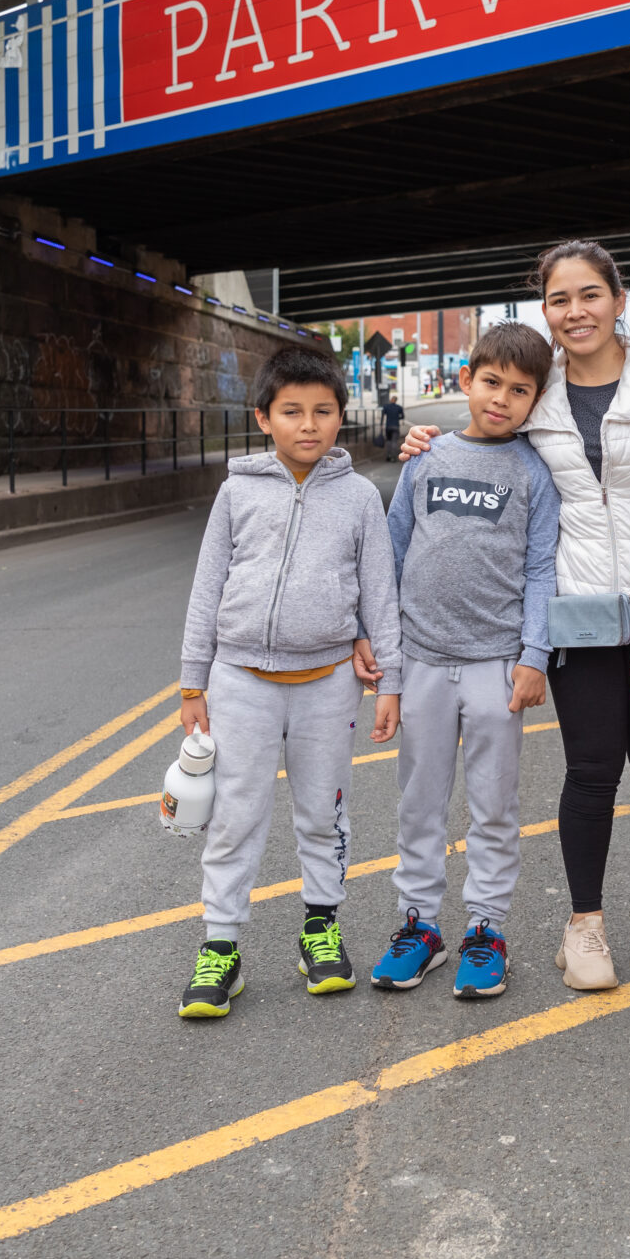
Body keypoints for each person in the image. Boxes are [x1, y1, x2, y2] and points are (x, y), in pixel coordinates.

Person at [402, 241, 630, 990]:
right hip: (576, 614)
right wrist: (424, 441)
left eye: (589, 295)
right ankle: (584, 924)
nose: (575, 311)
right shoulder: (538, 392)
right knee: (591, 769)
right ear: (544, 308)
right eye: (559, 299)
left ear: (619, 298)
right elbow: (482, 439)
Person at [176, 345, 402, 1020]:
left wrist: (390, 679)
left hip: (328, 681)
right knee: (234, 814)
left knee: (324, 810)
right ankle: (221, 946)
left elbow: (379, 593)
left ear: (340, 417)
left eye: (323, 411)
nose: (308, 425)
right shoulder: (237, 492)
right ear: (263, 417)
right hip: (239, 678)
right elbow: (207, 587)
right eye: (292, 411)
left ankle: (320, 929)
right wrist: (192, 681)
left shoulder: (359, 497)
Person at [373, 324, 562, 1000]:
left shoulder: (533, 473)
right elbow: (391, 553)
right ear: (466, 381)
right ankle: (419, 925)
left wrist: (534, 655)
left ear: (536, 399)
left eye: (520, 390)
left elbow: (541, 569)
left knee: (493, 806)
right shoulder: (424, 457)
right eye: (491, 382)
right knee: (419, 803)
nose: (502, 398)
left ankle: (486, 930)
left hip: (496, 665)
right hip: (421, 658)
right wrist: (388, 660)